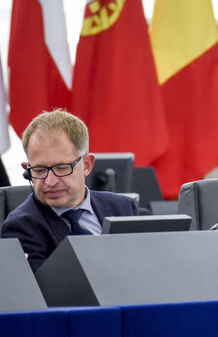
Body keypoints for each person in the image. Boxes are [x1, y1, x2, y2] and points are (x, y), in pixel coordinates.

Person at [0, 110, 137, 271]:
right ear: (27, 169)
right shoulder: (21, 226)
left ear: (87, 165)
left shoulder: (123, 207)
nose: (50, 182)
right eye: (39, 170)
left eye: (61, 168)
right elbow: (43, 292)